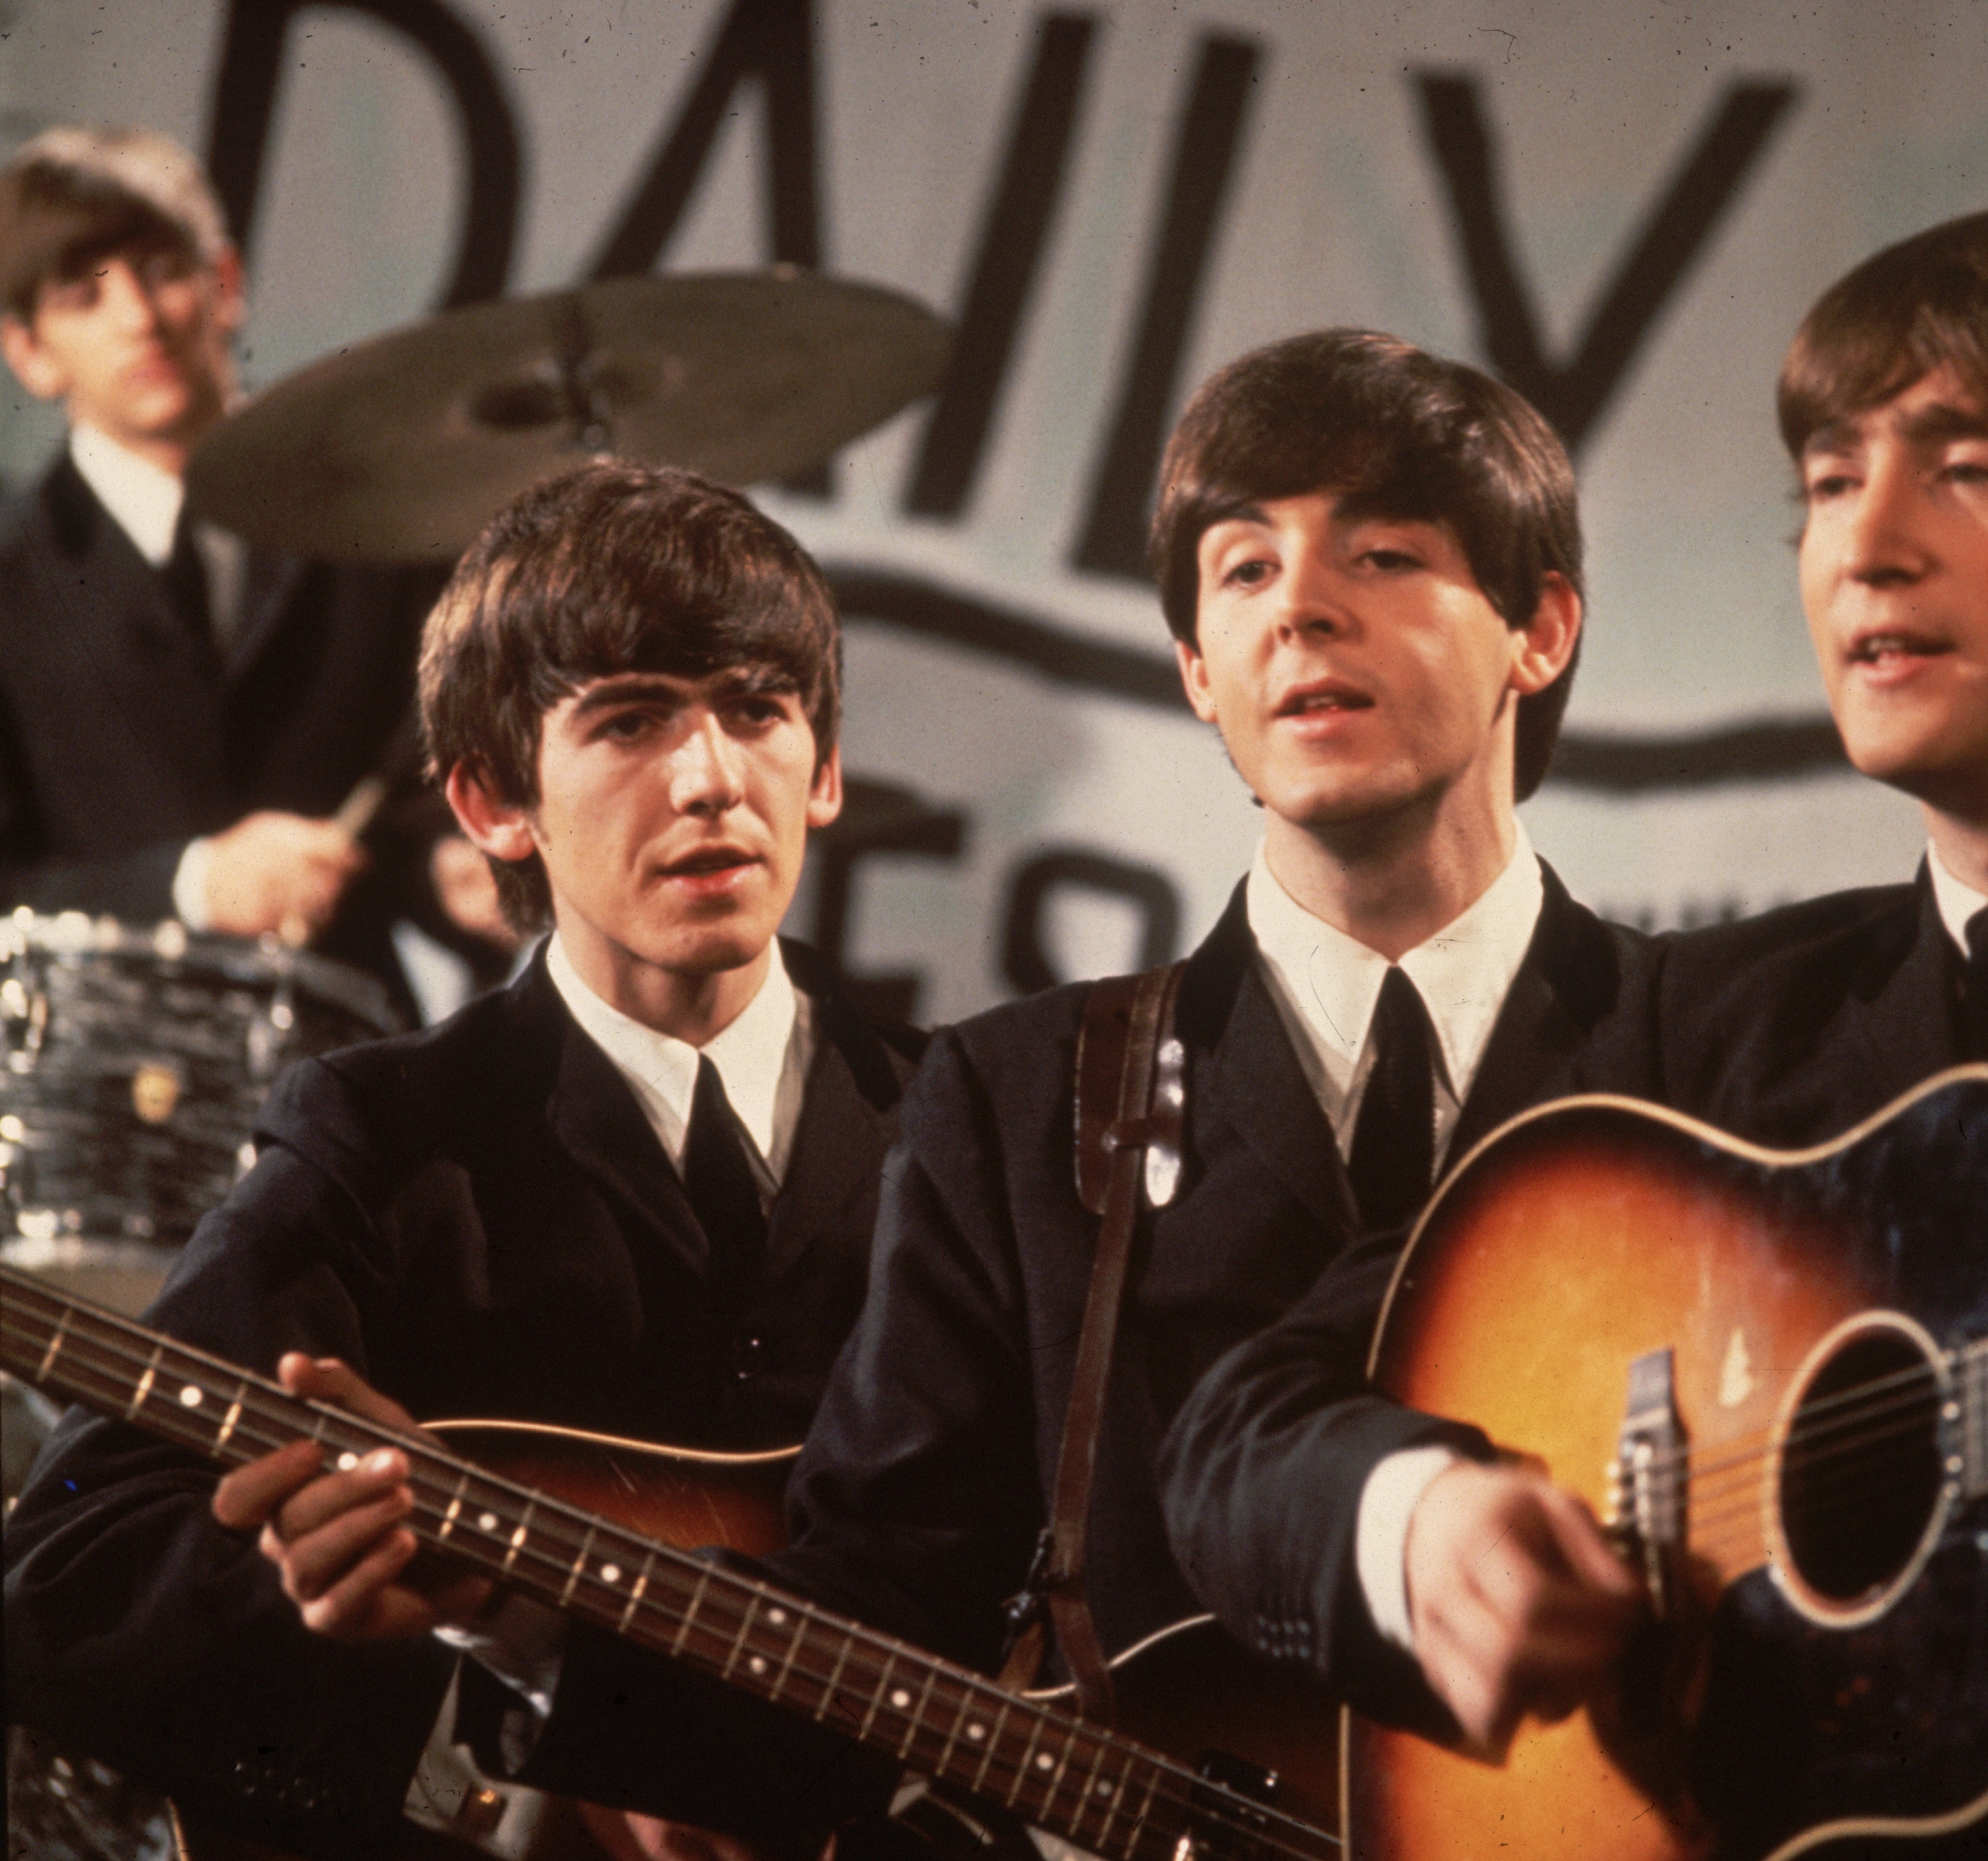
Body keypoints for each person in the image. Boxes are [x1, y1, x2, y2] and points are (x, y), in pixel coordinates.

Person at [210, 329, 1662, 1849]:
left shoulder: (1723, 1044)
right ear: (1193, 670)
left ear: (1540, 629)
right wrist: (521, 1617)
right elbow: (872, 1636)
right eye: (1240, 571)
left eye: (1380, 551)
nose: (1300, 606)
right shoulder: (1021, 1097)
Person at [1159, 209, 1988, 1856]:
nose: (1865, 547)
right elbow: (1243, 1423)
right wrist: (1420, 1527)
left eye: (1966, 468)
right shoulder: (1696, 1026)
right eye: (1829, 482)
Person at [2, 460, 924, 1859]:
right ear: (492, 802)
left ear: (828, 765)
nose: (713, 777)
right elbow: (68, 1574)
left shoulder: (970, 1120)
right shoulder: (382, 1132)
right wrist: (397, 1613)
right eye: (629, 721)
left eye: (758, 708)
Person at [0, 124, 470, 1003]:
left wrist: (452, 877)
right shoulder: (10, 571)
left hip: (347, 1063)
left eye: (162, 270)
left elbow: (419, 797)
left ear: (225, 282)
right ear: (28, 352)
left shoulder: (376, 524)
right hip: (99, 1089)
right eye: (81, 296)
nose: (138, 319)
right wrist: (192, 885)